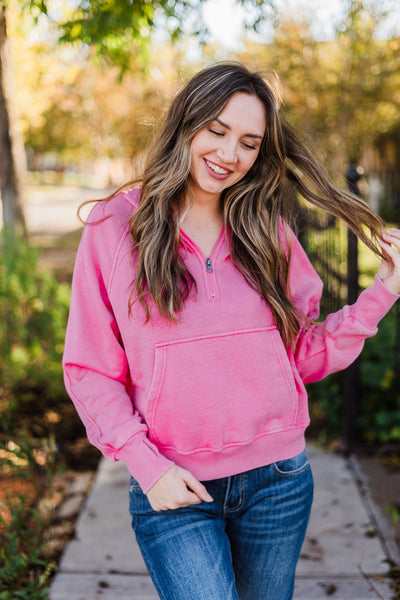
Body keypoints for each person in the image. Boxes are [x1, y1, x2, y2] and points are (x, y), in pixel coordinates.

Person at [63, 62, 400, 600]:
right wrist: (147, 466)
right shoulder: (114, 226)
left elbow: (303, 355)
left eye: (249, 142)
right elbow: (90, 369)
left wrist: (383, 290)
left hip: (278, 482)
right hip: (173, 485)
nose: (228, 155)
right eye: (216, 131)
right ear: (186, 123)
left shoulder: (267, 230)